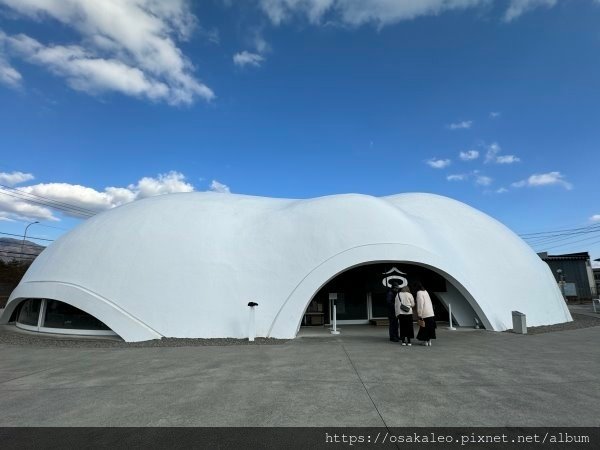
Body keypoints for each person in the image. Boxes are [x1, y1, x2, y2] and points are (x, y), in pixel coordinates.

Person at [415, 282, 436, 346]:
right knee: (430, 327)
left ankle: (425, 342)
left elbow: (420, 304)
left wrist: (419, 314)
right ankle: (429, 341)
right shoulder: (426, 292)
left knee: (424, 328)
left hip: (424, 313)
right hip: (430, 312)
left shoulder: (419, 293)